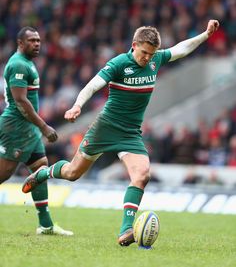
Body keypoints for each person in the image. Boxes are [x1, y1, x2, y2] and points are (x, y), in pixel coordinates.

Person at [22, 20, 220, 245]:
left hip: (130, 134)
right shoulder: (119, 63)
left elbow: (180, 49)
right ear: (134, 45)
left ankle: (126, 230)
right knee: (72, 173)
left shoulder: (155, 60)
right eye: (144, 52)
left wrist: (205, 34)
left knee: (142, 175)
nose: (147, 58)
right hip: (105, 128)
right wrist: (77, 105)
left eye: (151, 54)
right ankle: (43, 174)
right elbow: (93, 85)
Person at [0, 26, 73, 236]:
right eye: (32, 40)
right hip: (16, 127)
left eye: (39, 40)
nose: (37, 44)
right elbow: (20, 100)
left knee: (40, 168)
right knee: (3, 174)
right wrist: (44, 126)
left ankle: (46, 225)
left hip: (27, 129)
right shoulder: (18, 64)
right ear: (20, 43)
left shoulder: (27, 63)